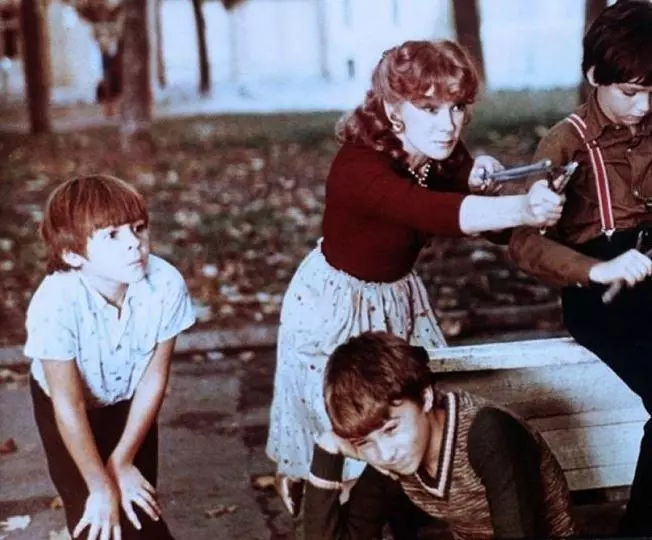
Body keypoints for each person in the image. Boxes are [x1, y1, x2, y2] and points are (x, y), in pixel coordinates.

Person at [266, 38, 566, 520]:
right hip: (334, 305)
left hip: (397, 296)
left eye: (458, 107)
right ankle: (321, 498)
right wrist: (522, 207)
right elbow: (434, 211)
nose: (448, 125)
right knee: (355, 423)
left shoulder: (437, 148)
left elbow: (483, 213)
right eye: (429, 108)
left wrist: (505, 192)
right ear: (392, 109)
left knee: (406, 420)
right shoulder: (357, 168)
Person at [508, 1, 652, 536]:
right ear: (594, 76)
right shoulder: (565, 143)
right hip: (600, 293)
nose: (643, 107)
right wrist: (595, 271)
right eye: (630, 92)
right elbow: (524, 245)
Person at [24, 174, 196, 540]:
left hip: (129, 399)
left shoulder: (165, 284)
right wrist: (99, 485)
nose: (134, 243)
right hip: (68, 408)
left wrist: (122, 460)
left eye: (138, 228)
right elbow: (68, 405)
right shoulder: (55, 303)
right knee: (99, 519)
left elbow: (153, 380)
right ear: (72, 254)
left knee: (139, 511)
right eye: (112, 235)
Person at [303, 331, 576, 540]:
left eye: (391, 429)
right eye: (364, 442)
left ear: (425, 397)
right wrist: (327, 450)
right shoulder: (394, 457)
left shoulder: (489, 433)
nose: (385, 453)